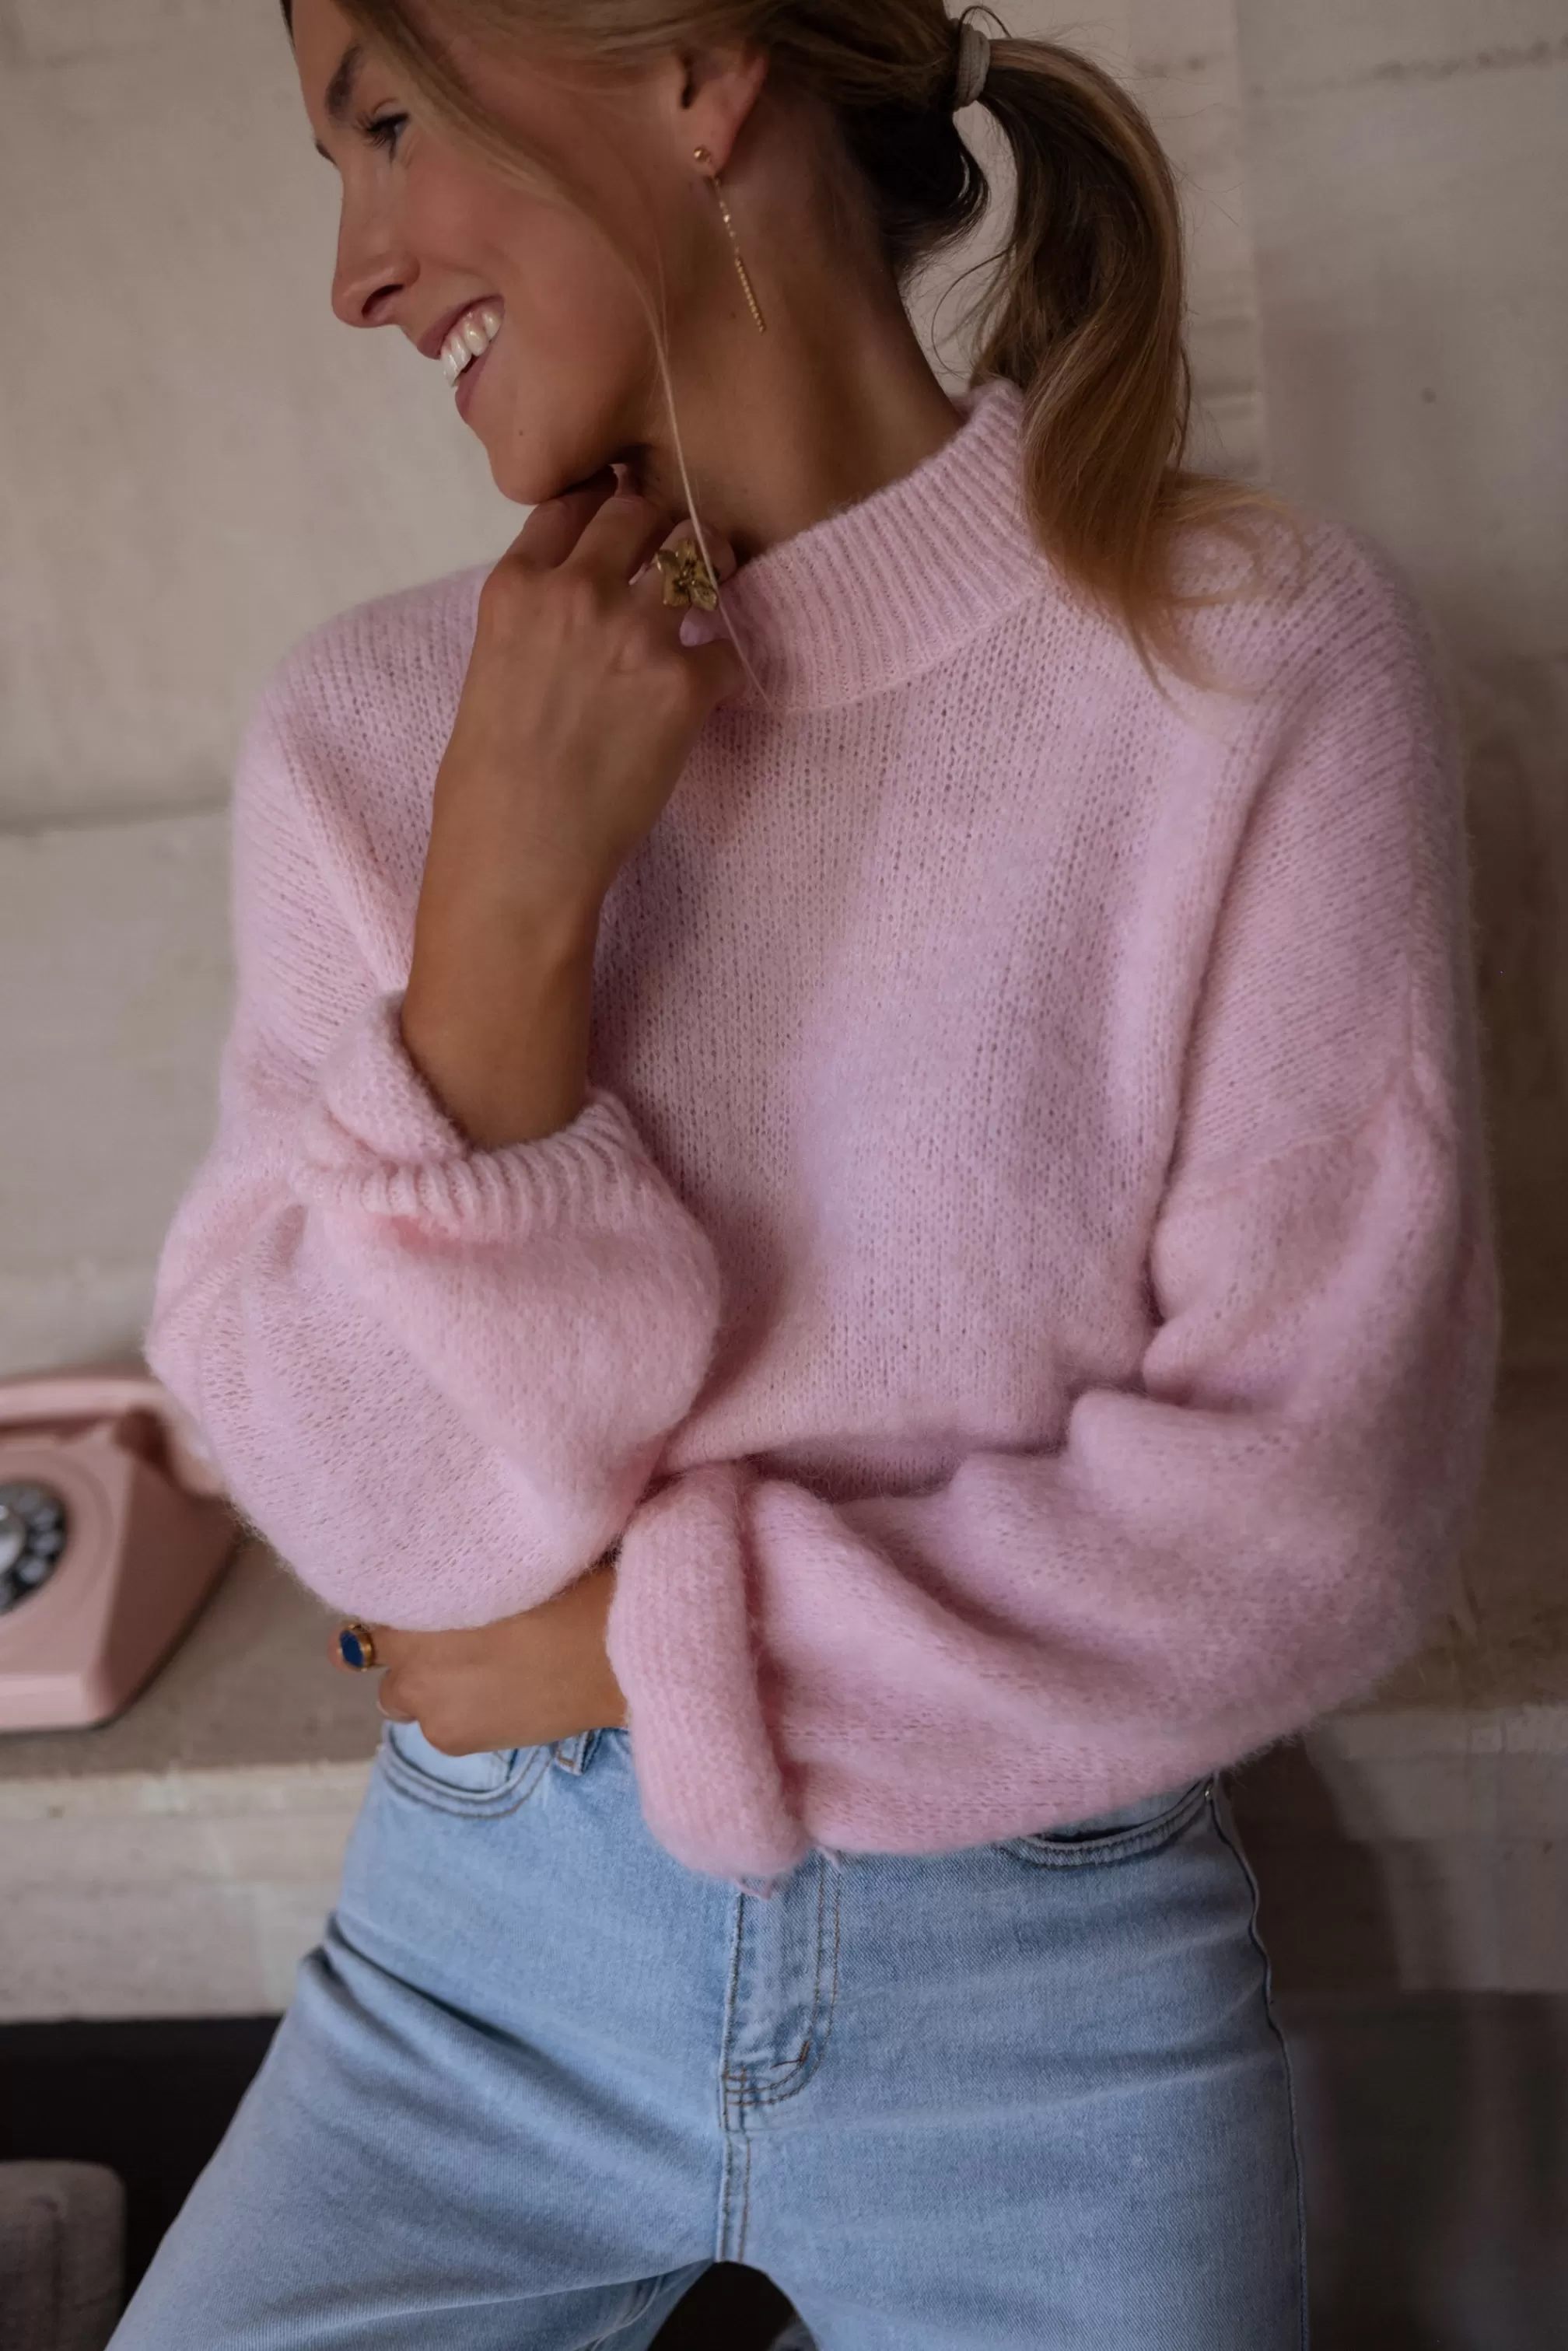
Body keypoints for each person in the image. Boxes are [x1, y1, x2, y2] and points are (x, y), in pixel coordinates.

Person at [109, 1, 1499, 2345]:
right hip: (476, 1977)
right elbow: (378, 1527)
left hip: (1051, 1996)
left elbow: (1316, 1502)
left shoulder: (1246, 661)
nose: (355, 270)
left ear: (698, 72)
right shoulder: (371, 736)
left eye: (389, 121)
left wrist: (628, 1650)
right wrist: (501, 938)